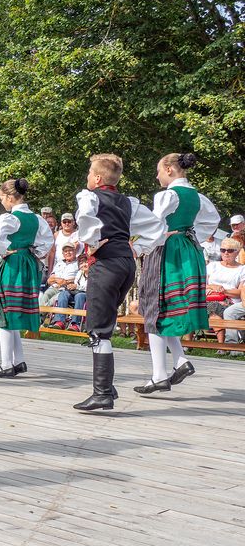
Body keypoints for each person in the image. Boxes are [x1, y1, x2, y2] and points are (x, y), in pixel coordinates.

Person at [72, 154, 165, 410]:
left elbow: (86, 221)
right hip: (126, 264)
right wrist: (138, 248)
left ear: (98, 178)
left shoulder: (90, 197)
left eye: (90, 173)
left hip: (107, 262)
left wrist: (91, 244)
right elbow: (157, 227)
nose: (88, 178)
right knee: (105, 321)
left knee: (99, 327)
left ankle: (102, 392)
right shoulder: (129, 203)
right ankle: (107, 387)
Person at [134, 153, 219, 395]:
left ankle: (159, 375)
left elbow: (153, 223)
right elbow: (211, 221)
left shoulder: (167, 195)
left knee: (156, 308)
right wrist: (190, 235)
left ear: (170, 169)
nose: (157, 175)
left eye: (159, 170)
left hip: (167, 253)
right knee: (168, 309)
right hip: (188, 250)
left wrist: (137, 245)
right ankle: (180, 361)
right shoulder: (197, 196)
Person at [0, 178, 54, 378]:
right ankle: (18, 361)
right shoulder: (37, 219)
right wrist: (34, 253)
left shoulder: (9, 218)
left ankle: (7, 364)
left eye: (2, 199)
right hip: (29, 263)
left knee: (5, 311)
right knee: (13, 312)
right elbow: (47, 241)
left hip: (13, 263)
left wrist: (5, 251)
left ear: (9, 197)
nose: (2, 203)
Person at [203, 238, 244, 349]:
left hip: (230, 301)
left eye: (230, 250)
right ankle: (222, 346)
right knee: (210, 306)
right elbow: (201, 285)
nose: (226, 253)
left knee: (214, 307)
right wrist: (213, 286)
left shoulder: (242, 269)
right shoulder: (212, 266)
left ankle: (222, 346)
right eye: (223, 250)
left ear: (237, 252)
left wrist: (224, 291)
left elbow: (241, 292)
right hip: (209, 297)